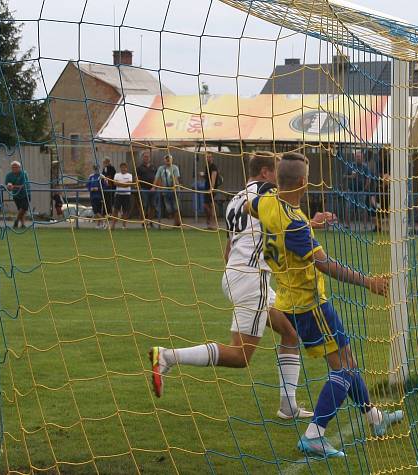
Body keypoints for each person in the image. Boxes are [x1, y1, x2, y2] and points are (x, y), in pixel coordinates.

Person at [149, 152, 337, 420]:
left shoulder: (234, 200)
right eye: (277, 170)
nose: (281, 176)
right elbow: (285, 219)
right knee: (240, 355)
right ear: (265, 173)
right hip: (252, 278)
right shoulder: (270, 194)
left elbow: (228, 249)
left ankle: (288, 407)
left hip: (235, 274)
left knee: (290, 333)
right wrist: (311, 222)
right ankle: (167, 356)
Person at [250, 152, 402, 458]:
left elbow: (250, 206)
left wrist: (311, 223)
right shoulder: (295, 225)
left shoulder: (266, 202)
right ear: (304, 182)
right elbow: (326, 265)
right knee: (344, 368)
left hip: (288, 300)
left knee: (347, 361)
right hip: (311, 305)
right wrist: (368, 282)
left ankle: (375, 418)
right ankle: (314, 434)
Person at [153, 154, 182, 227]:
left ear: (172, 160)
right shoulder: (161, 168)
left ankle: (177, 223)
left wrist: (176, 185)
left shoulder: (175, 167)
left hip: (174, 189)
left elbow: (176, 178)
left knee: (176, 207)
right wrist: (154, 187)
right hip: (165, 190)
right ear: (164, 160)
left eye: (169, 159)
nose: (168, 160)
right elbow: (157, 177)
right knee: (168, 208)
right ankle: (174, 219)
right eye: (166, 159)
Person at [345, 151, 371, 228]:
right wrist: (351, 177)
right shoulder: (350, 166)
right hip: (351, 191)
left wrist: (365, 189)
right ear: (354, 157)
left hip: (361, 191)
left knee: (362, 208)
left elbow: (368, 178)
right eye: (357, 156)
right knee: (349, 207)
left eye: (360, 157)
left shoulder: (365, 167)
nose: (358, 158)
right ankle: (347, 225)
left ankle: (365, 225)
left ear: (363, 158)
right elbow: (344, 176)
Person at [4, 161, 31, 229]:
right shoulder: (9, 175)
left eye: (16, 167)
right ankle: (23, 224)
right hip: (16, 194)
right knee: (20, 210)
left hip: (25, 193)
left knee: (23, 208)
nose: (14, 168)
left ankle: (16, 221)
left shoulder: (23, 174)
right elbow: (8, 184)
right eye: (13, 167)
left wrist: (13, 186)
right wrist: (9, 187)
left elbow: (23, 185)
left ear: (19, 167)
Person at [136, 151, 157, 226]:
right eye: (145, 157)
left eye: (147, 157)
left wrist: (154, 187)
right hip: (144, 188)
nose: (146, 158)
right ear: (142, 158)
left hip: (153, 189)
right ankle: (144, 222)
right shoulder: (139, 167)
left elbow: (156, 178)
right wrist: (138, 187)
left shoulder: (153, 167)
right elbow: (137, 179)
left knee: (153, 205)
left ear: (150, 158)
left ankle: (151, 222)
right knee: (144, 205)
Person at [202, 151, 222, 230]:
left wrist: (212, 188)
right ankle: (209, 223)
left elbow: (213, 177)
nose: (208, 158)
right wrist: (203, 175)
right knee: (207, 205)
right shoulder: (207, 166)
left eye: (209, 157)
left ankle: (212, 223)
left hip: (211, 189)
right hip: (206, 187)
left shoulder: (213, 166)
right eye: (207, 157)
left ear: (212, 158)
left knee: (210, 205)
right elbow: (208, 177)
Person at [111, 162, 133, 230]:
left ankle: (124, 225)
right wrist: (124, 184)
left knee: (126, 210)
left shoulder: (129, 175)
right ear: (120, 168)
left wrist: (120, 184)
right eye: (122, 167)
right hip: (118, 195)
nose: (123, 168)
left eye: (125, 167)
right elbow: (115, 183)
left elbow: (129, 183)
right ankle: (113, 225)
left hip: (127, 195)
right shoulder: (117, 175)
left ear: (127, 168)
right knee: (115, 210)